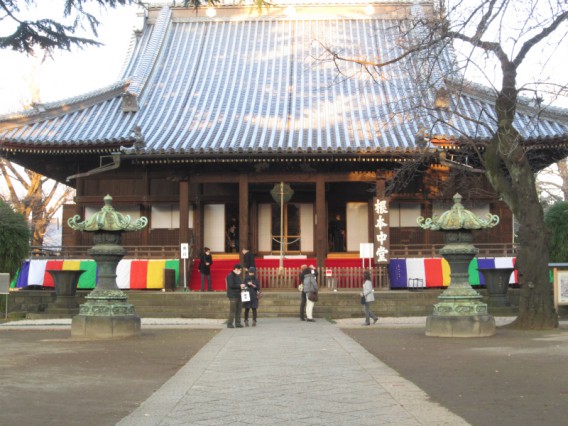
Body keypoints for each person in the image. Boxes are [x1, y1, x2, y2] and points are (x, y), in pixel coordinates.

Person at [226, 264, 245, 328]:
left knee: (239, 310)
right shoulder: (230, 276)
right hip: (233, 295)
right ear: (236, 269)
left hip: (239, 294)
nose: (240, 271)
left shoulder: (238, 276)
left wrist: (242, 286)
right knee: (233, 310)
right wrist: (240, 286)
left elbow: (239, 284)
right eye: (240, 270)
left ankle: (238, 323)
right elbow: (231, 285)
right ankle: (230, 323)